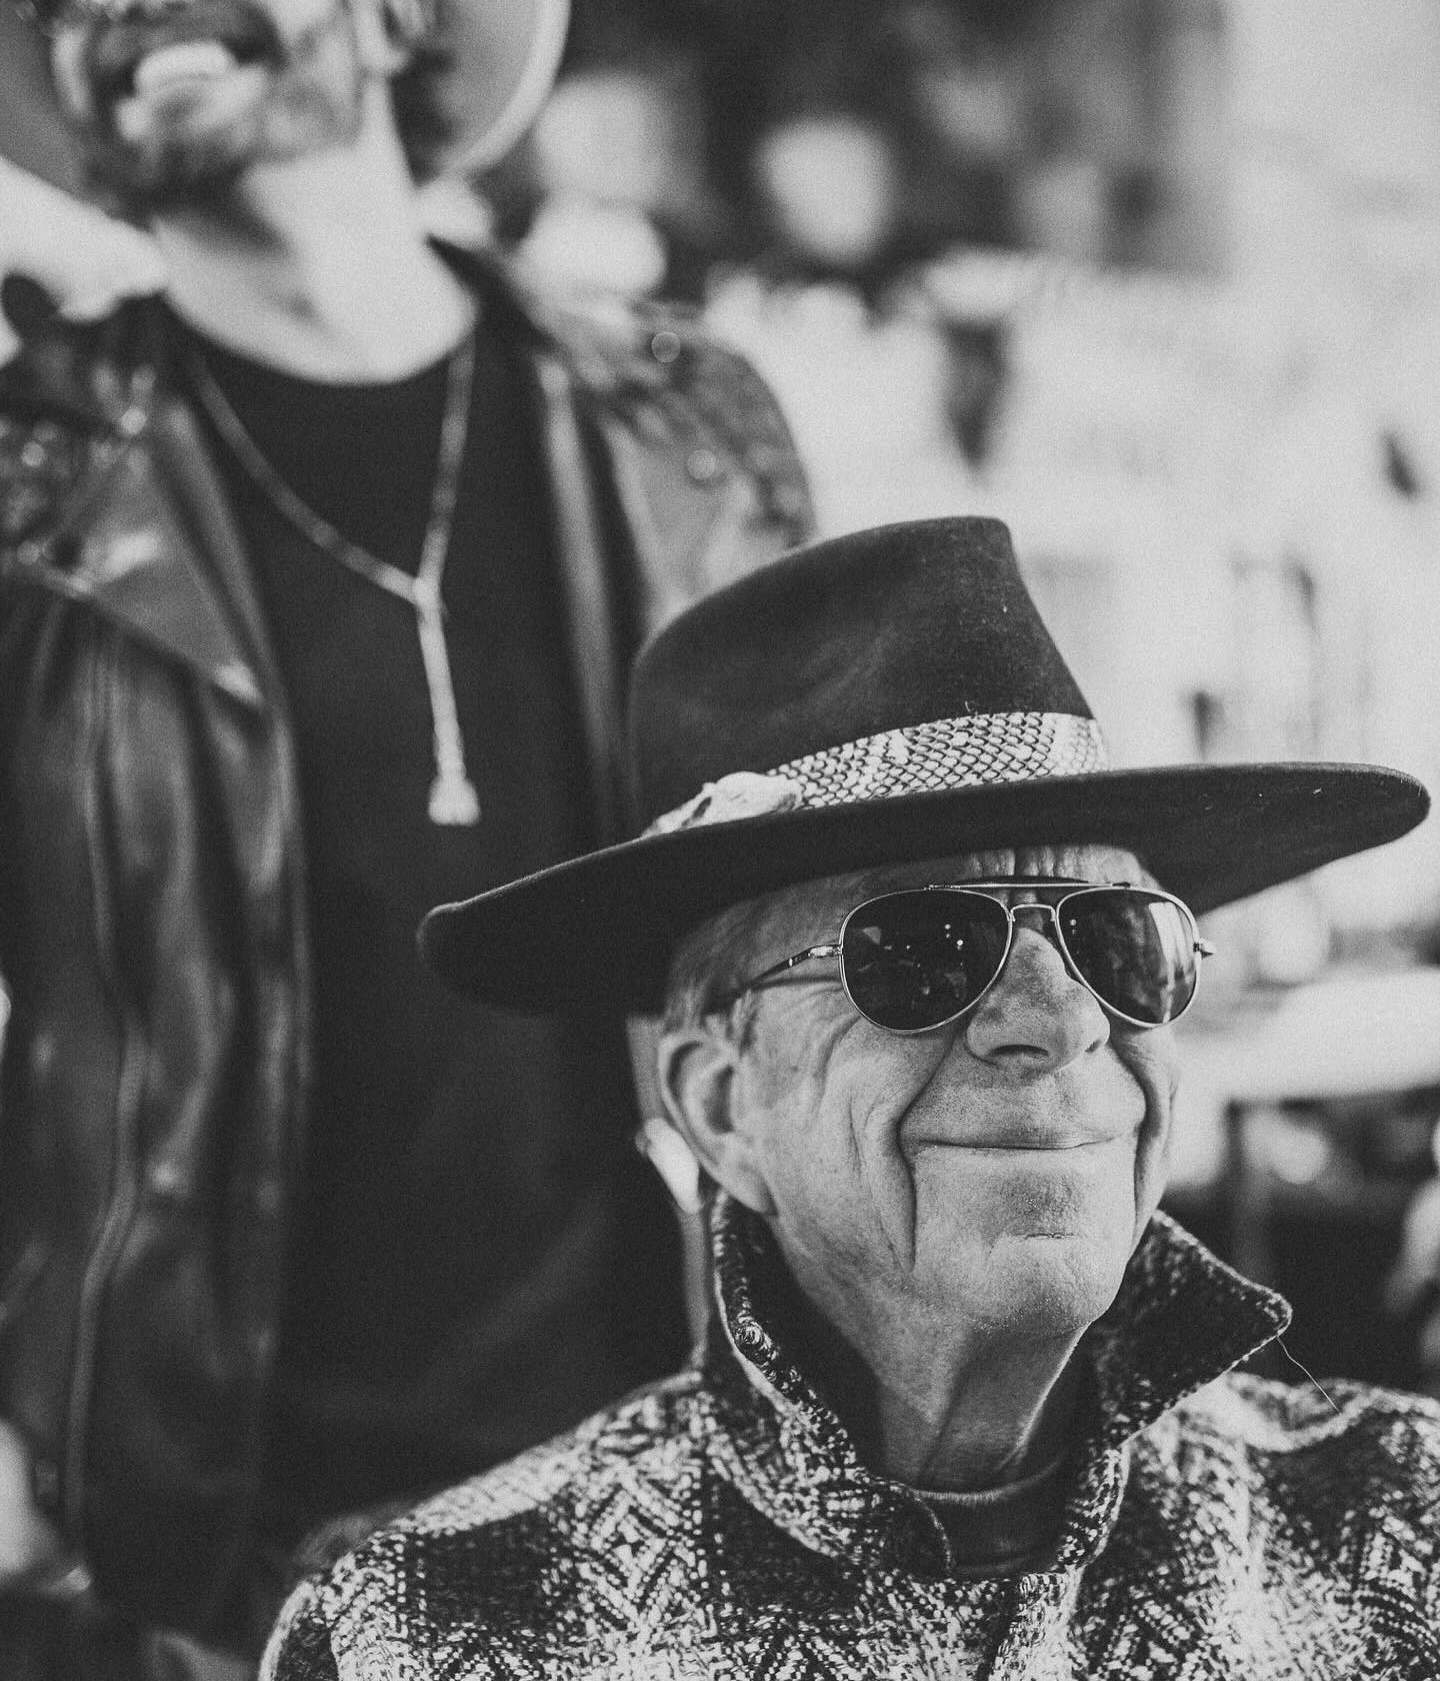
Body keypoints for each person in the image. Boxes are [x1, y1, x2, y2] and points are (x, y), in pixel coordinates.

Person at [0, 0, 811, 1670]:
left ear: (384, 2)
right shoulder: (28, 489)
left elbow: (825, 920)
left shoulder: (690, 432)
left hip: (675, 1492)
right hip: (214, 1551)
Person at [264, 516, 1440, 1678]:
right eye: (923, 950)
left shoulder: (1407, 1524)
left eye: (1120, 940)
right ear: (722, 1108)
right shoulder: (425, 1635)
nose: (1064, 1019)